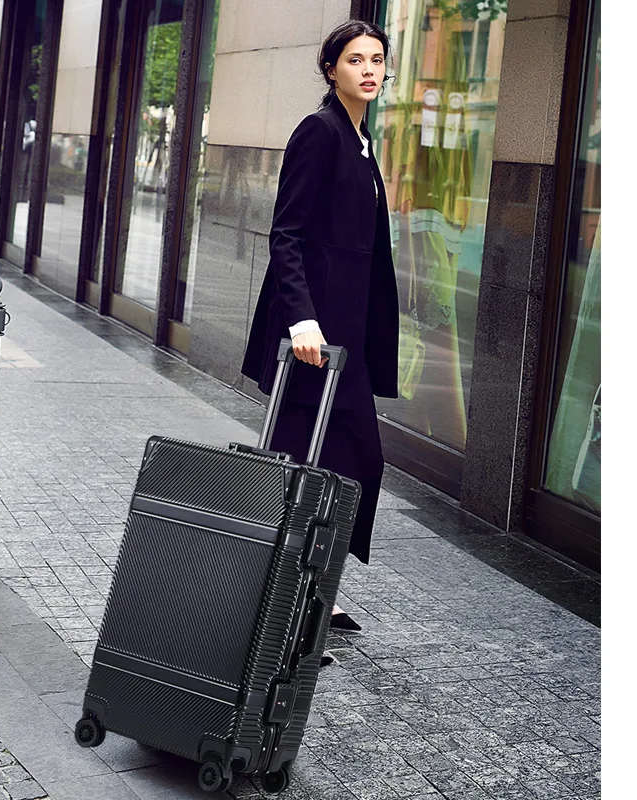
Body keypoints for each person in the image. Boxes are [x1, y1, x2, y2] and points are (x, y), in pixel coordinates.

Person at [241, 20, 399, 655]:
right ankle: (286, 608)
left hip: (348, 337)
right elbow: (287, 234)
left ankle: (309, 593)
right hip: (315, 339)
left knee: (345, 464)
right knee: (311, 465)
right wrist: (301, 319)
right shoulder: (320, 131)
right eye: (355, 59)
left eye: (377, 60)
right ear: (331, 69)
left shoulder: (360, 139)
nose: (369, 70)